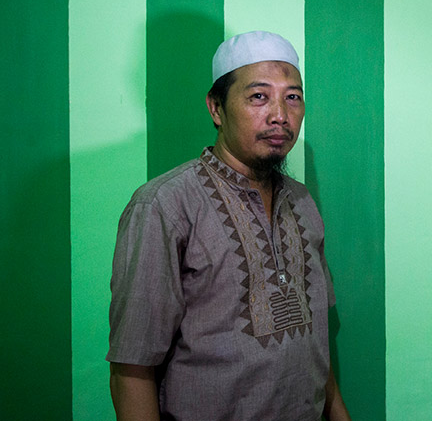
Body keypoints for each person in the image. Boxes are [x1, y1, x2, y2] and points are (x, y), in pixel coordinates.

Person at [107, 31, 351, 421]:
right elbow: (132, 367)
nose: (280, 115)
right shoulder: (165, 206)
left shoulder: (303, 203)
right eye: (258, 96)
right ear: (216, 108)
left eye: (293, 97)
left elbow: (312, 341)